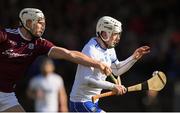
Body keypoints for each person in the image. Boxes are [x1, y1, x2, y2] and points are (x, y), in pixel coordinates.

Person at [0, 8, 112, 112]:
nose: (43, 26)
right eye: (39, 23)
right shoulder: (6, 35)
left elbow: (68, 54)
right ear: (28, 22)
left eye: (44, 23)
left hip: (7, 95)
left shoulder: (39, 44)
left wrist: (97, 64)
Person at [69, 16, 150, 112]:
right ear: (104, 33)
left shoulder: (110, 49)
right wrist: (113, 86)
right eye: (115, 34)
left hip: (93, 101)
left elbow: (117, 70)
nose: (118, 38)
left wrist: (134, 58)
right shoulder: (90, 50)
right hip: (80, 102)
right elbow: (87, 80)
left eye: (118, 34)